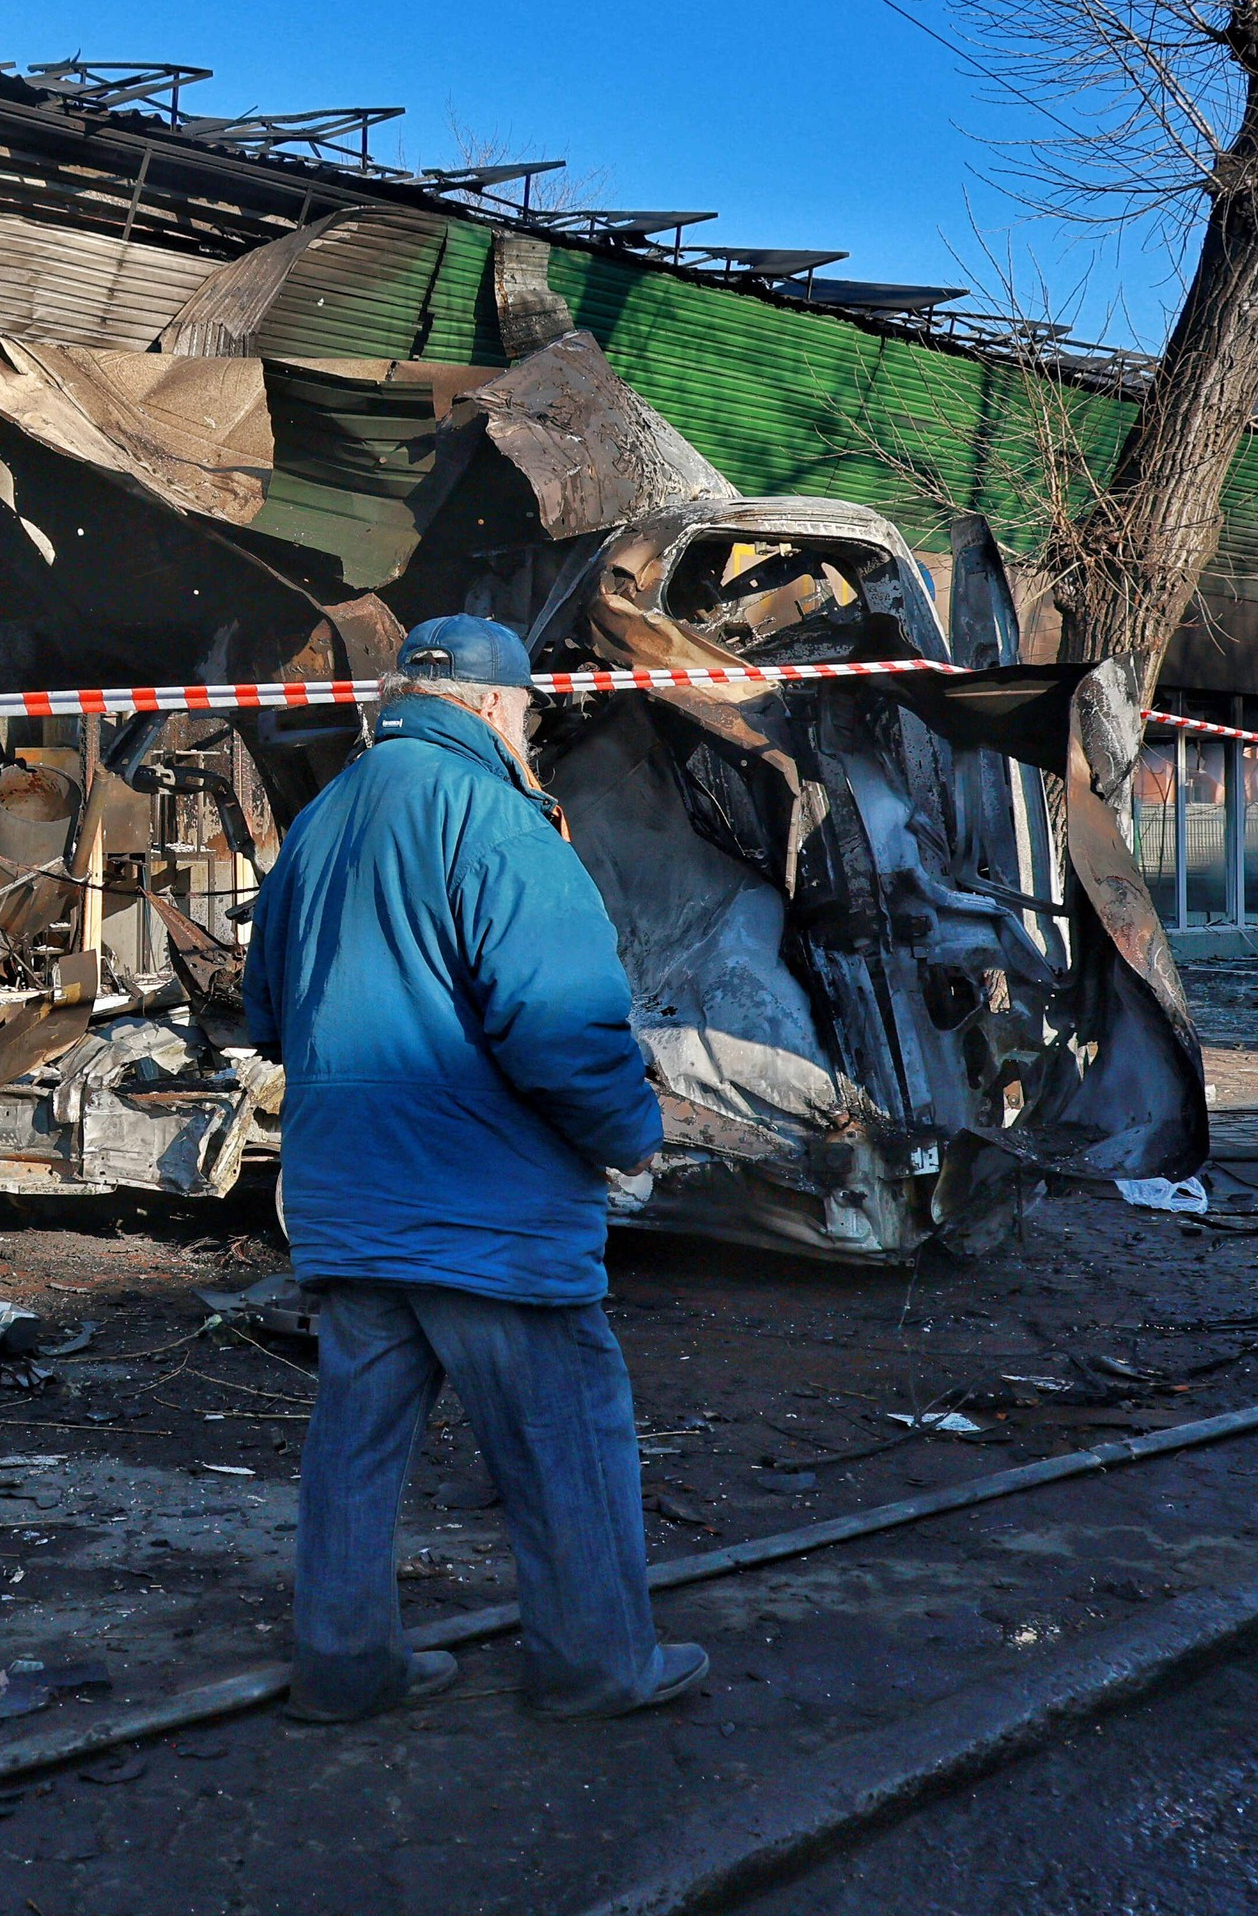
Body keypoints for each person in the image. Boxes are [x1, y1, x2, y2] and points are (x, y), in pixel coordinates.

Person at [238, 613, 707, 1725]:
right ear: (497, 709)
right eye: (529, 712)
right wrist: (632, 1130)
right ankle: (597, 1664)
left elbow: (265, 1014)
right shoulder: (497, 821)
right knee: (565, 1438)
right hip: (488, 1213)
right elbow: (559, 1026)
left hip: (351, 1207)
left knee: (353, 1450)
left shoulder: (319, 822)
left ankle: (345, 1668)